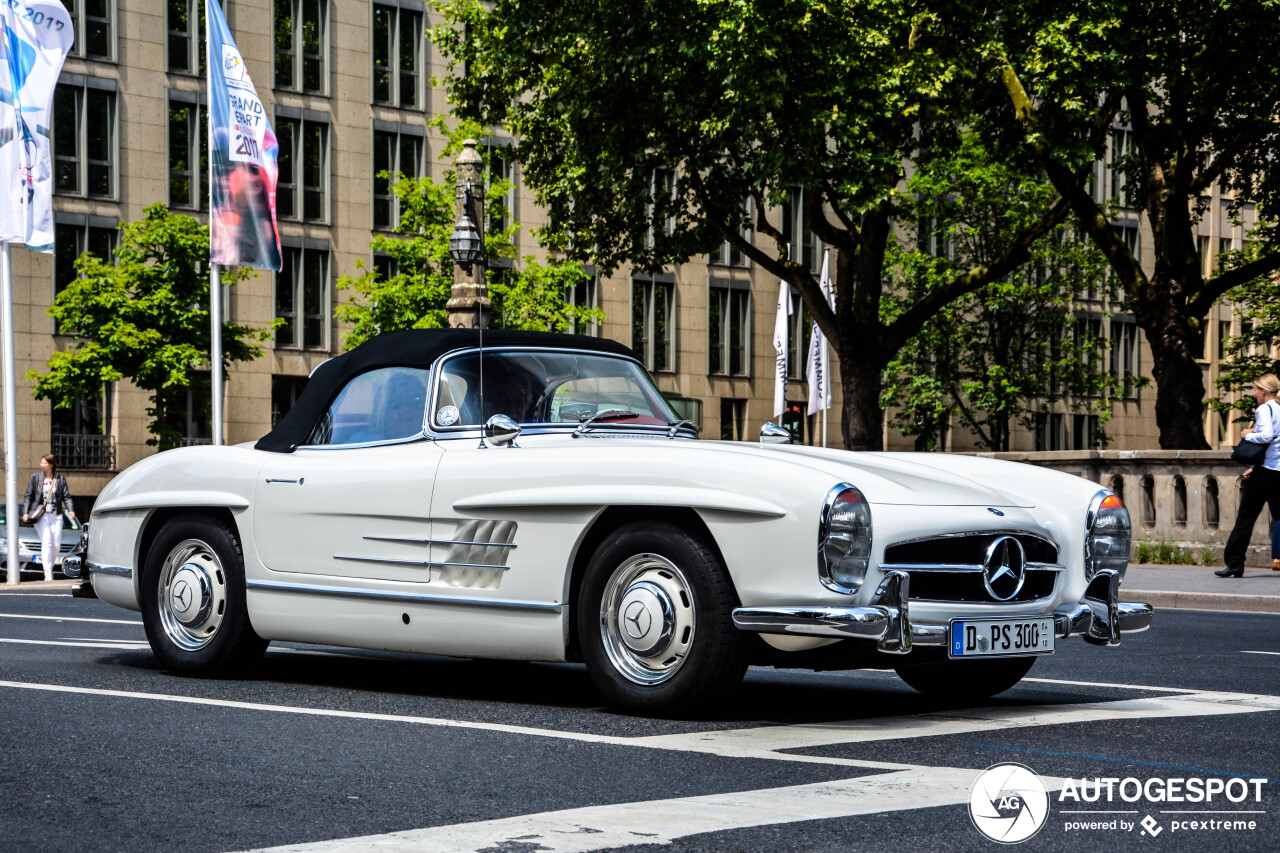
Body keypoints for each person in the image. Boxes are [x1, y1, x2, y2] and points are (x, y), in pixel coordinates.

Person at [1218, 374, 1280, 578]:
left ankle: (1235, 563)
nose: (1254, 393)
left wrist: (1247, 434)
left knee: (1245, 518)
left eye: (1255, 389)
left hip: (1266, 472)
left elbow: (1266, 436)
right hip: (1277, 470)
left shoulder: (1264, 409)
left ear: (1263, 390)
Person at [22, 453, 75, 582]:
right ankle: (48, 573)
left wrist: (71, 509)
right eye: (41, 463)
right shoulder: (35, 478)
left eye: (45, 463)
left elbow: (66, 496)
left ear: (51, 464)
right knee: (47, 542)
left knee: (56, 545)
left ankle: (49, 566)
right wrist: (25, 512)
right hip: (41, 516)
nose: (42, 465)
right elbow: (28, 495)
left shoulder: (60, 479)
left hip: (56, 515)